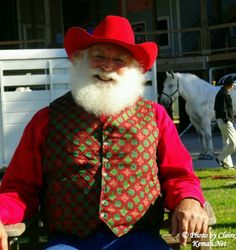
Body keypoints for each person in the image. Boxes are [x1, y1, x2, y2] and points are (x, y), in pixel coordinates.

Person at [0, 15, 208, 250]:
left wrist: (188, 200)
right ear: (80, 59)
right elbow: (18, 188)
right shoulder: (45, 119)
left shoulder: (156, 116)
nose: (108, 67)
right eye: (99, 56)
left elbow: (179, 175)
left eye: (119, 60)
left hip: (139, 239)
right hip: (69, 242)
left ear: (134, 69)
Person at [214, 75, 236, 169]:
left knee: (227, 143)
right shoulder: (223, 93)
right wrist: (227, 120)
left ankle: (228, 165)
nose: (234, 86)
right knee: (234, 144)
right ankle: (221, 158)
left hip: (223, 121)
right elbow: (221, 108)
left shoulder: (223, 92)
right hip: (225, 121)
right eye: (233, 84)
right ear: (230, 85)